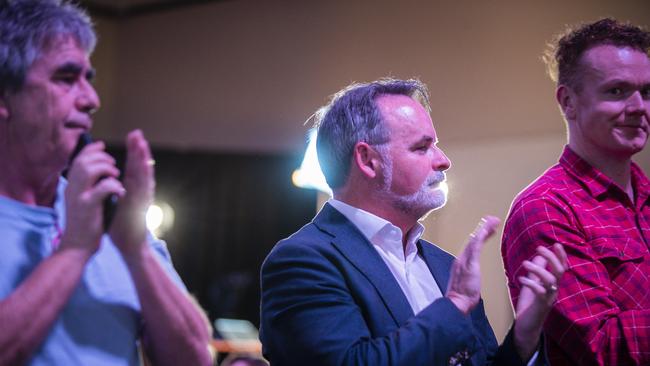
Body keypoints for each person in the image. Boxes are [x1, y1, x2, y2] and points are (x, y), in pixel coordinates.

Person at [260, 78, 568, 365]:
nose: (443, 160)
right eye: (422, 147)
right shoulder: (302, 260)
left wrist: (525, 336)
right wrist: (455, 305)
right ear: (369, 160)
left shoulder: (444, 266)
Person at [0, 1, 213, 365]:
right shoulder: (82, 229)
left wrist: (136, 252)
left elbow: (195, 357)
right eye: (66, 79)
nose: (91, 99)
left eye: (88, 79)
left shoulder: (108, 214)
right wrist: (73, 251)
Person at [501, 18, 650, 366]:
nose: (639, 107)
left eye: (646, 92)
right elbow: (602, 347)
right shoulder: (546, 208)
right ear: (568, 102)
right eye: (616, 91)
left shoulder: (644, 194)